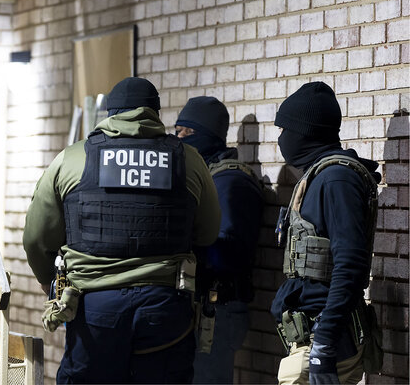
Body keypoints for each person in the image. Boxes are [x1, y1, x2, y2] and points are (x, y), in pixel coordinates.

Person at [23, 77, 221, 384]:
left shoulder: (73, 158)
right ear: (155, 112)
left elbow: (36, 238)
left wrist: (50, 282)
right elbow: (208, 232)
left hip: (93, 307)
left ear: (109, 112)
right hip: (165, 306)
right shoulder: (189, 160)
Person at [271, 82, 382, 385]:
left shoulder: (336, 179)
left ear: (305, 131)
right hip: (312, 337)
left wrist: (324, 343)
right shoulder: (319, 176)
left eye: (284, 129)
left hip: (326, 339)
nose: (280, 139)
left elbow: (350, 264)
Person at [175, 96, 264, 384]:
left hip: (218, 309)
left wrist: (185, 244)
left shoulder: (231, 182)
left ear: (206, 136)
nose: (178, 139)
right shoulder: (206, 177)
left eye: (185, 133)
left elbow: (229, 255)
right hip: (202, 306)